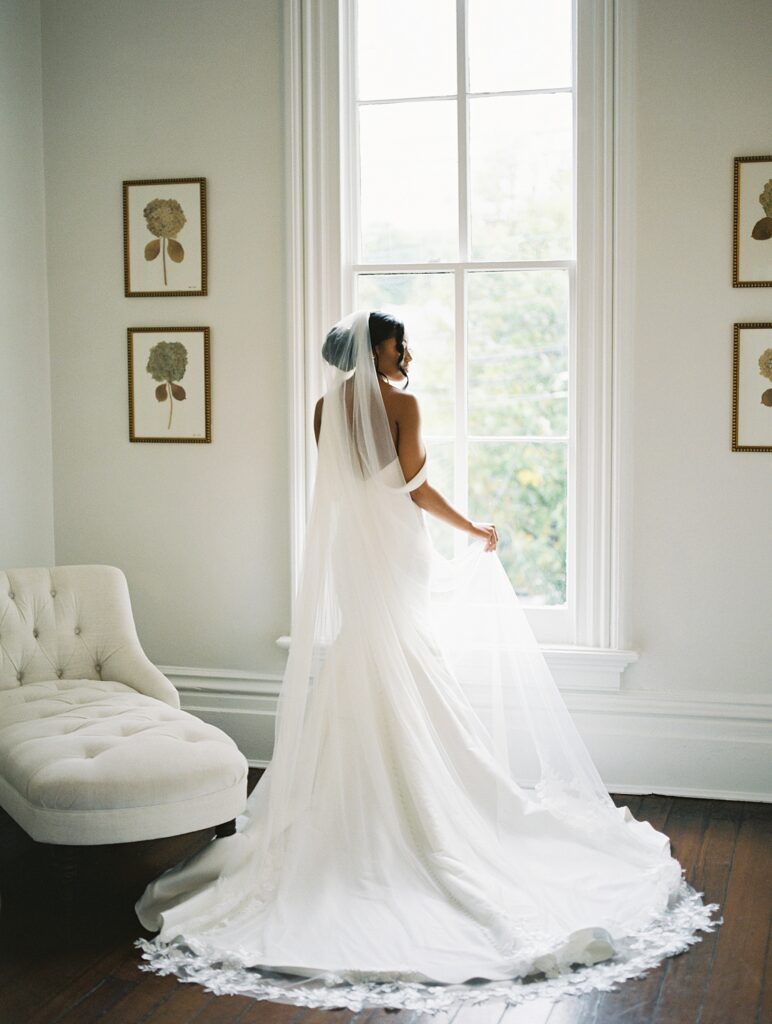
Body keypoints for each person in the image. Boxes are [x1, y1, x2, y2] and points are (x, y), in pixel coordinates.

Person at [135, 310, 719, 1014]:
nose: (404, 352)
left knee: (368, 660)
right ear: (374, 348)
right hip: (397, 551)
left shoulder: (323, 409)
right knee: (403, 664)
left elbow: (345, 489)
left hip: (357, 560)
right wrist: (473, 527)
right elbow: (412, 489)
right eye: (396, 343)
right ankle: (419, 811)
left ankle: (357, 811)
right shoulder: (403, 407)